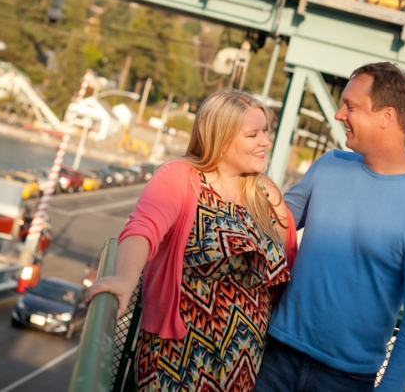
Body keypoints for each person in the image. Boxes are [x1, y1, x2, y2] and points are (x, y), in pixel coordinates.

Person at [255, 62, 405, 392]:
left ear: (386, 116)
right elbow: (268, 223)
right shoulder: (328, 165)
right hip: (275, 355)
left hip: (345, 381)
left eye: (351, 106)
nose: (338, 114)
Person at [86, 89, 297, 392]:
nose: (265, 140)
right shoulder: (180, 177)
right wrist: (124, 279)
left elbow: (284, 270)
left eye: (265, 130)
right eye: (253, 134)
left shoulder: (266, 193)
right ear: (221, 140)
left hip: (244, 365)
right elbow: (143, 228)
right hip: (179, 360)